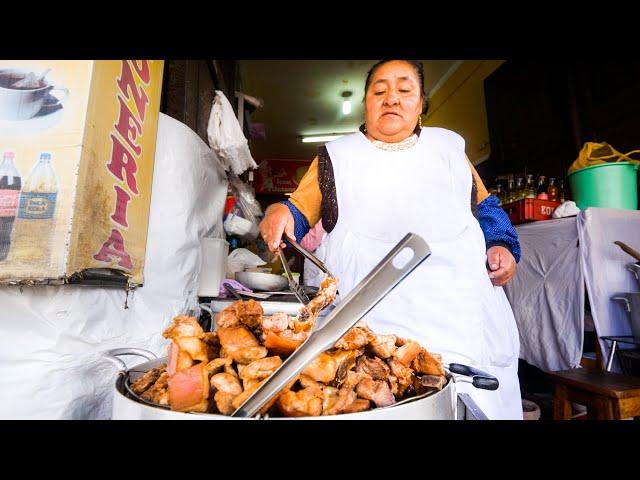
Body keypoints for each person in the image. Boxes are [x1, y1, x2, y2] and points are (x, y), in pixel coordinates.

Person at [260, 60, 522, 419]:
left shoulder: (447, 149)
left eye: (404, 90)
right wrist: (280, 213)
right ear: (365, 103)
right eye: (379, 91)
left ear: (420, 104)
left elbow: (488, 210)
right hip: (371, 330)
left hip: (460, 323)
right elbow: (299, 211)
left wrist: (502, 246)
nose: (392, 99)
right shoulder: (337, 157)